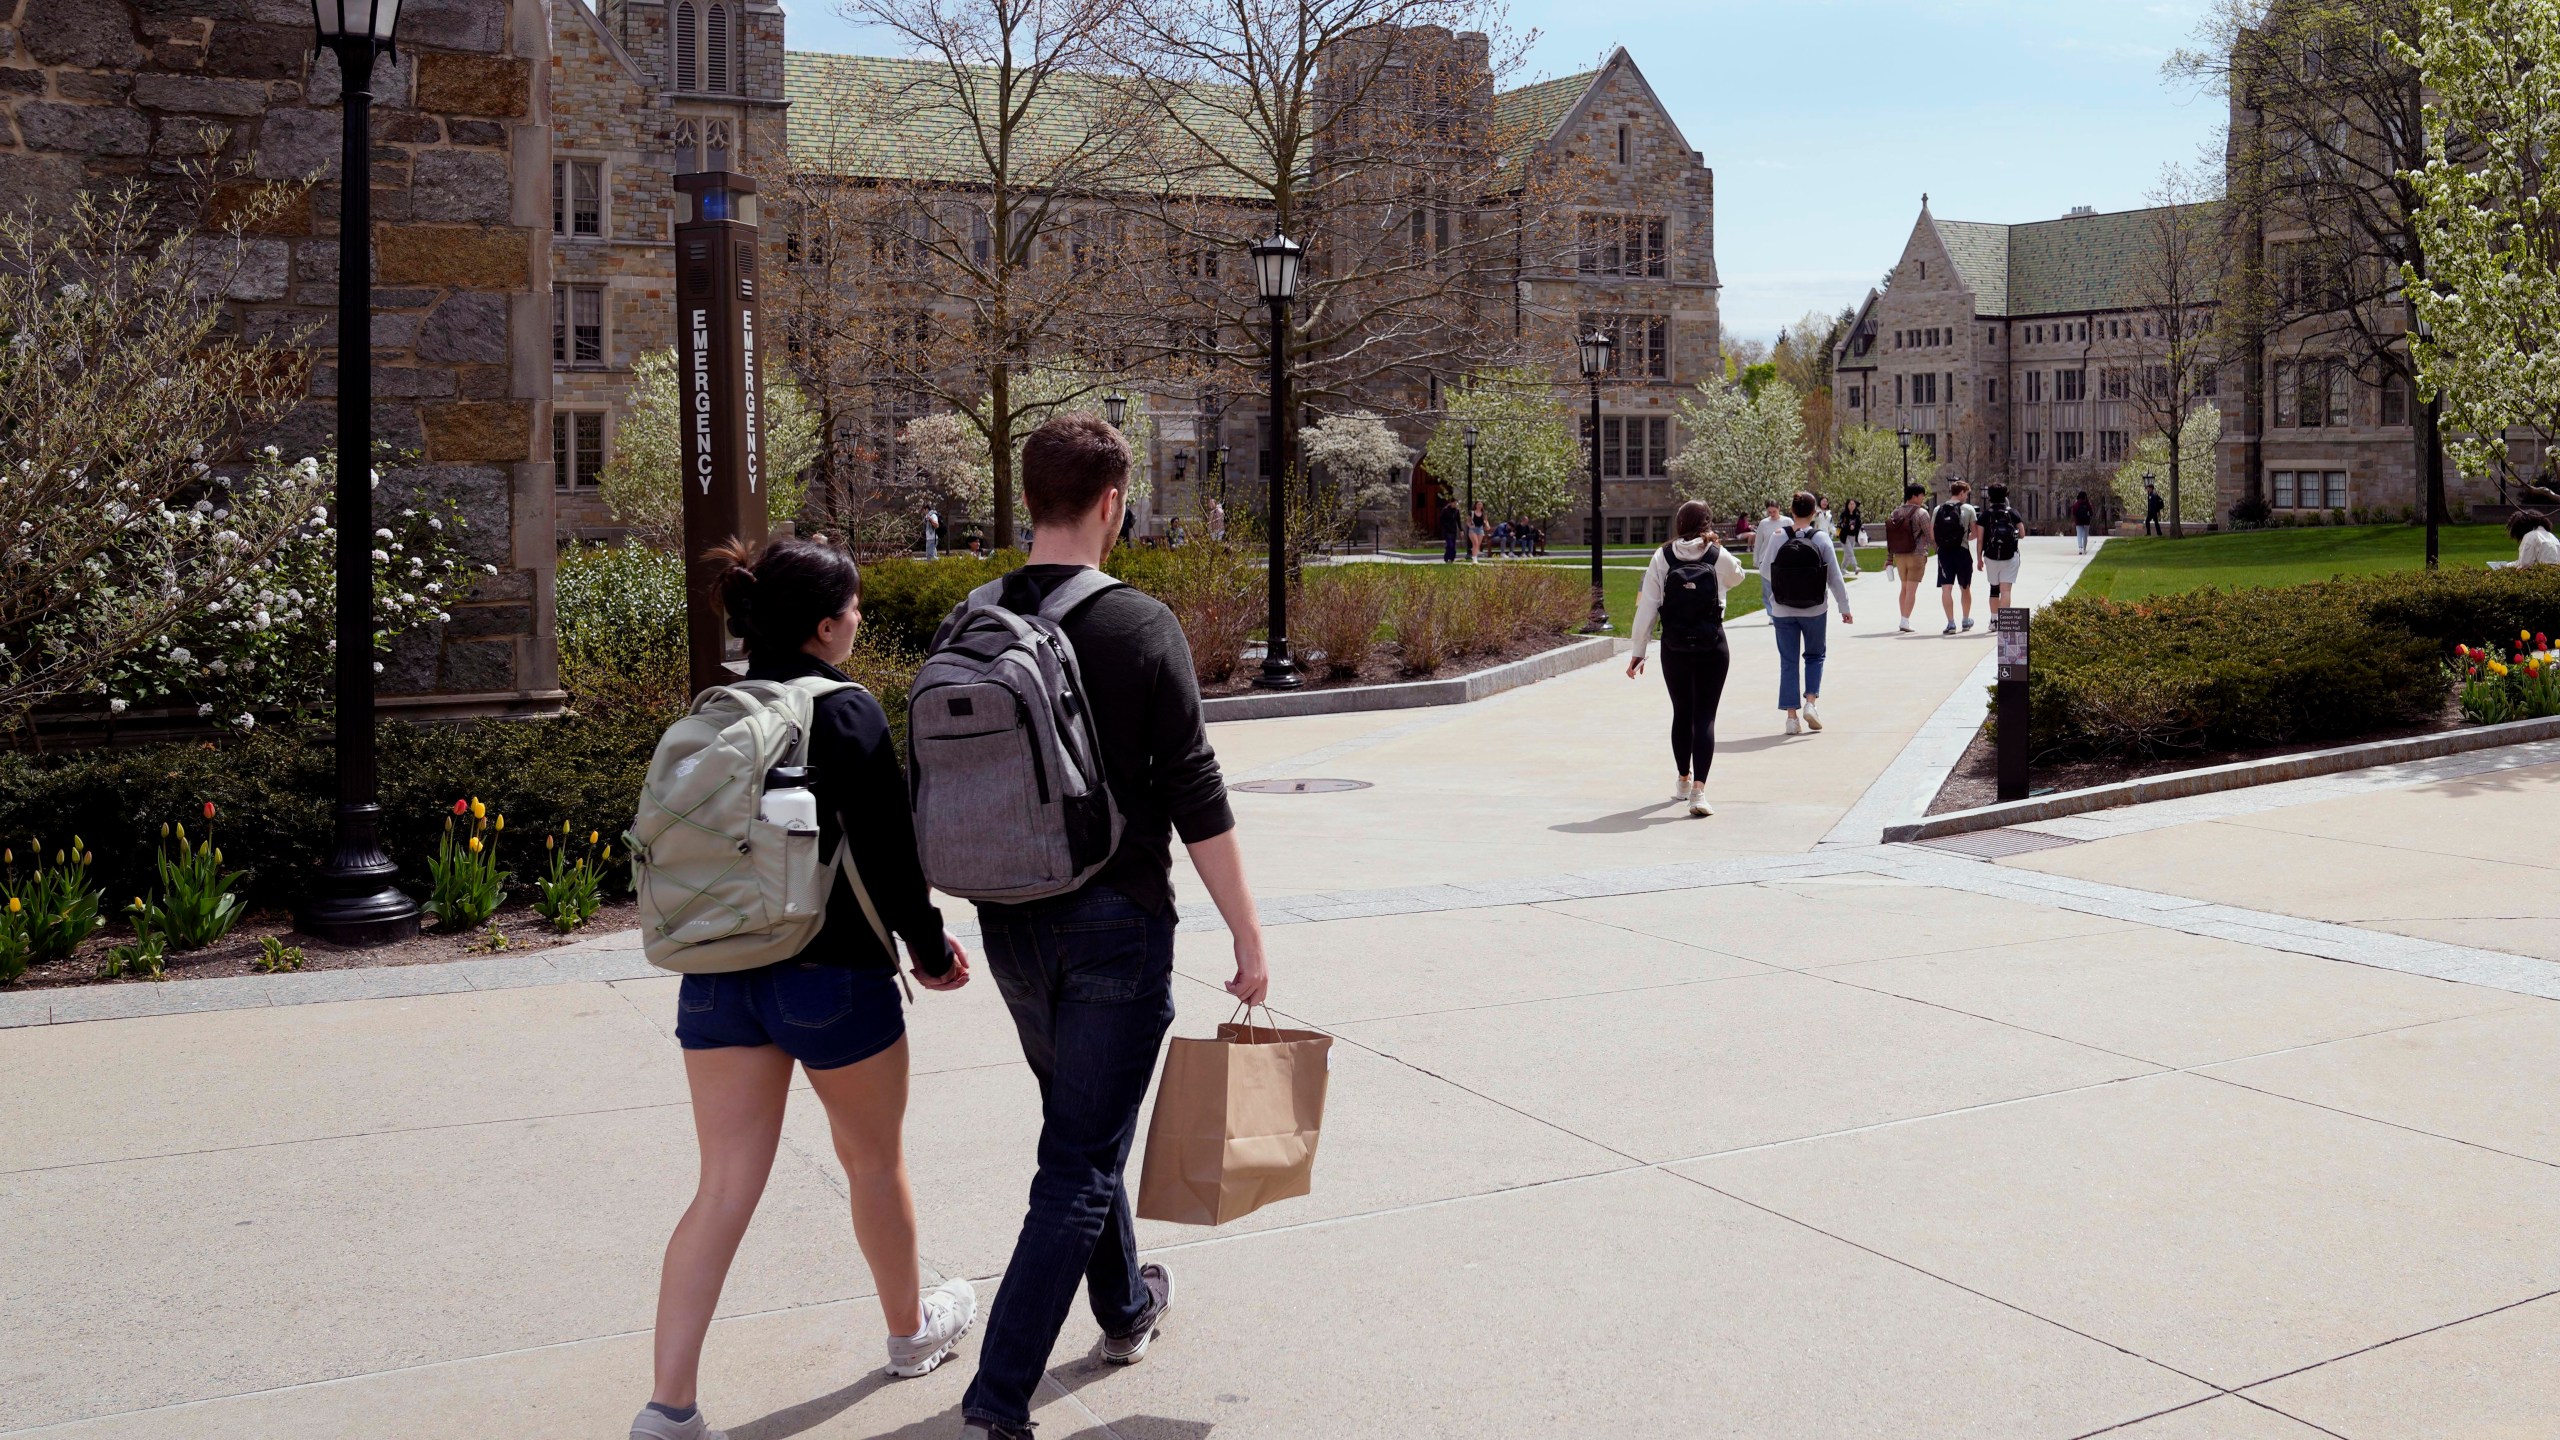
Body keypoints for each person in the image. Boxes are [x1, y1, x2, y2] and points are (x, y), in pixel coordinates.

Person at [960, 415, 1271, 1440]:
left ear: (1026, 501)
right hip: (1115, 925)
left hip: (1009, 923)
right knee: (1079, 1164)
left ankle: (1126, 1308)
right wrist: (1248, 939)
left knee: (1078, 1132)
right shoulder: (1139, 624)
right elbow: (1196, 794)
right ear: (1111, 505)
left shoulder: (971, 619)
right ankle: (997, 1401)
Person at [633, 538, 977, 1440]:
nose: (858, 621)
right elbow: (894, 860)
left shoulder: (721, 708)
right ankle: (910, 1335)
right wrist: (930, 948)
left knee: (720, 1189)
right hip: (834, 975)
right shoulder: (847, 711)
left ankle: (668, 1408)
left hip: (715, 976)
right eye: (854, 610)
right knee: (873, 1162)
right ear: (826, 627)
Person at [1627, 500, 1743, 816]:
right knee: (1705, 716)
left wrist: (1638, 651)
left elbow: (1647, 606)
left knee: (1682, 712)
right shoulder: (1718, 555)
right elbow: (1739, 577)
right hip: (1712, 644)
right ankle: (1699, 792)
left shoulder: (1661, 557)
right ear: (1707, 524)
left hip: (1674, 646)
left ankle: (1682, 778)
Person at [1755, 490, 1853, 736]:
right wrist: (1844, 607)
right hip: (1815, 608)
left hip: (1782, 609)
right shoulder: (1821, 539)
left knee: (1788, 662)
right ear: (1814, 513)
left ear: (1791, 511)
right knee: (1814, 655)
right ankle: (1811, 702)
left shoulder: (1778, 537)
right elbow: (1835, 578)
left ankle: (1791, 718)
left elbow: (1766, 572)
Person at [1934, 479, 1980, 635]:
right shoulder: (1968, 509)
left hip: (1944, 553)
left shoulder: (1938, 509)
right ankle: (1966, 620)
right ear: (1961, 493)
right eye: (1966, 493)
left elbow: (1933, 533)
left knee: (1946, 588)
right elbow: (1976, 533)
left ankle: (1951, 623)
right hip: (1962, 551)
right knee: (1965, 587)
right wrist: (1965, 538)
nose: (1966, 497)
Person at [1885, 481, 1931, 633]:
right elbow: (1929, 535)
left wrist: (1889, 558)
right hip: (1916, 555)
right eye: (1921, 495)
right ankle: (1905, 620)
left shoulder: (1896, 512)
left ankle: (1903, 617)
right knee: (1911, 590)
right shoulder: (1922, 513)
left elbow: (1891, 537)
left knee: (1904, 588)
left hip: (1900, 555)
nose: (1923, 498)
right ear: (1915, 496)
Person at [1980, 484, 2025, 614]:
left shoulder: (1985, 515)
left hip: (1991, 556)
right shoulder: (2013, 513)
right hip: (2010, 555)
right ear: (2005, 496)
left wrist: (1979, 558)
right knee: (2006, 591)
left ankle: (1994, 620)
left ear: (1990, 497)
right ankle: (2004, 622)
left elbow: (1980, 540)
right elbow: (2022, 534)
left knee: (1994, 590)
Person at [1837, 497, 1864, 577]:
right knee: (1850, 552)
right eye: (1850, 504)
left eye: (1853, 504)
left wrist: (1861, 528)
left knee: (1847, 553)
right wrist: (1848, 526)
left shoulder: (1857, 514)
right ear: (1847, 505)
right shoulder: (1844, 514)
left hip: (1853, 536)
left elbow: (1859, 524)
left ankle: (1843, 569)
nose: (1852, 505)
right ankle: (1855, 567)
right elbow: (1840, 524)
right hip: (1844, 536)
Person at [1439, 497, 1460, 563]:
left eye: (1456, 503)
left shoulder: (1457, 511)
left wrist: (1461, 530)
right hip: (1447, 530)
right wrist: (1446, 526)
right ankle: (1446, 557)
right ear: (1451, 503)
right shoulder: (1445, 510)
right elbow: (1441, 519)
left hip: (1453, 530)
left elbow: (1458, 521)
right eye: (1454, 503)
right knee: (1449, 544)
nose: (1455, 504)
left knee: (1453, 545)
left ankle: (1451, 558)